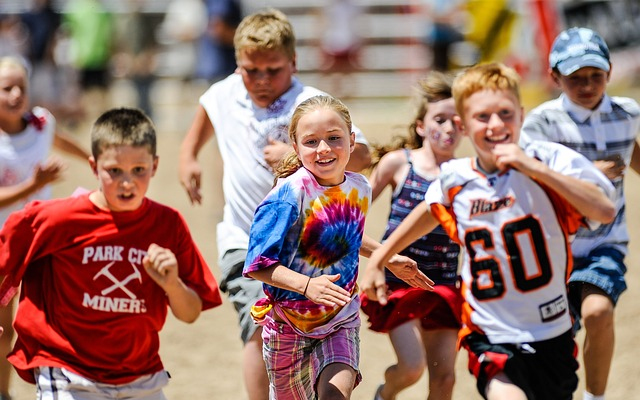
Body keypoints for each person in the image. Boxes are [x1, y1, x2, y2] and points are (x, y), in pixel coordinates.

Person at [362, 62, 617, 400]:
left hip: (552, 331)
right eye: (482, 117)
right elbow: (431, 210)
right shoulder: (456, 177)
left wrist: (533, 168)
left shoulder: (551, 160)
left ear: (522, 114)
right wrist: (380, 257)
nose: (496, 124)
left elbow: (604, 209)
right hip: (490, 332)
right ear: (463, 125)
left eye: (505, 113)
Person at [178, 9, 371, 400]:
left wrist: (295, 153)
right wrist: (189, 158)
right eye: (252, 70)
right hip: (243, 237)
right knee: (256, 325)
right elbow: (200, 123)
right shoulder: (223, 93)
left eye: (274, 70)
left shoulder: (313, 104)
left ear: (294, 63)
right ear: (237, 65)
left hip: (307, 245)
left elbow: (362, 153)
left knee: (315, 334)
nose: (263, 80)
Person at [0, 107, 223, 399]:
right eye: (114, 171)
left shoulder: (167, 224)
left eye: (138, 170)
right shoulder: (55, 219)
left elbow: (191, 313)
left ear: (154, 166)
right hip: (67, 371)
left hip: (141, 373)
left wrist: (172, 284)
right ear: (94, 167)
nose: (127, 182)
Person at [242, 94, 433, 400]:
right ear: (295, 146)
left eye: (334, 138)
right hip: (288, 324)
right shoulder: (288, 195)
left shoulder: (359, 186)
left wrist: (388, 257)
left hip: (340, 318)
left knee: (335, 395)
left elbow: (345, 234)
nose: (324, 149)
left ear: (352, 140)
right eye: (311, 141)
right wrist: (306, 285)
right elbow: (258, 264)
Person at [520, 27, 640, 400]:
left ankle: (596, 397)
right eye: (575, 78)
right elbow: (529, 179)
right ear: (555, 77)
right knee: (556, 336)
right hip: (553, 245)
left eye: (596, 76)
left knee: (598, 312)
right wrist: (589, 174)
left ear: (608, 73)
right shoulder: (541, 123)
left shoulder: (628, 113)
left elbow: (632, 155)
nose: (587, 85)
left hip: (605, 241)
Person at [360, 71, 463, 400]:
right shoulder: (398, 163)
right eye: (440, 119)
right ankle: (385, 394)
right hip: (400, 283)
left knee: (444, 380)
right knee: (412, 366)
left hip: (444, 283)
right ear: (421, 126)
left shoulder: (466, 173)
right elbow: (351, 215)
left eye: (456, 121)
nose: (448, 128)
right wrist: (379, 258)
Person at [0, 55, 90, 400]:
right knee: (3, 326)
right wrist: (33, 184)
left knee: (46, 318)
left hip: (40, 239)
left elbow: (58, 138)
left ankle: (53, 387)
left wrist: (91, 157)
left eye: (20, 87)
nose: (15, 94)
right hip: (3, 243)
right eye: (6, 88)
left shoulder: (41, 122)